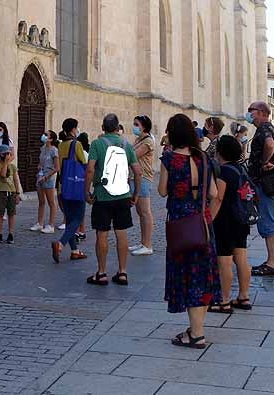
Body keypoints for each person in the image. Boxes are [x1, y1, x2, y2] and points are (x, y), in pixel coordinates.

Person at [159, 113, 219, 349]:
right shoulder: (203, 158)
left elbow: (163, 191)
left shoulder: (169, 159)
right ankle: (197, 328)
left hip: (181, 226)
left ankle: (196, 334)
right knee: (202, 276)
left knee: (188, 277)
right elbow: (214, 193)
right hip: (203, 225)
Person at [84, 114, 141, 286]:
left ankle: (101, 273)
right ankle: (122, 272)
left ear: (103, 127)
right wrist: (136, 193)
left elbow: (90, 170)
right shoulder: (126, 145)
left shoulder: (96, 144)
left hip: (102, 195)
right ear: (118, 128)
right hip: (123, 195)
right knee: (121, 232)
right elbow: (137, 172)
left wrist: (87, 190)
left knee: (102, 233)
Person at [210, 135, 253, 314]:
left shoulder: (224, 171)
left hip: (225, 221)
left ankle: (224, 301)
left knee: (225, 261)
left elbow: (218, 197)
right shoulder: (242, 169)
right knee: (241, 259)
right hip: (241, 220)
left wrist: (208, 220)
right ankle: (244, 296)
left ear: (221, 152)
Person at [247, 101, 274, 277]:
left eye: (251, 111)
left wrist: (263, 162)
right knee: (267, 217)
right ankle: (271, 261)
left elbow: (269, 145)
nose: (249, 114)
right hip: (265, 180)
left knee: (267, 219)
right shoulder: (269, 128)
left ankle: (272, 263)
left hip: (263, 181)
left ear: (262, 112)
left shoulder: (264, 130)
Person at [53, 121, 89, 263]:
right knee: (78, 218)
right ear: (73, 129)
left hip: (63, 185)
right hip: (75, 186)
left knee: (69, 219)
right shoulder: (76, 144)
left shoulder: (60, 145)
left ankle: (75, 251)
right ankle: (60, 243)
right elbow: (83, 163)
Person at [129, 115, 156, 256]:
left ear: (144, 126)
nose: (134, 126)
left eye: (136, 124)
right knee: (140, 212)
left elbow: (133, 155)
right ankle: (143, 242)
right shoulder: (139, 139)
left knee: (145, 212)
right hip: (135, 177)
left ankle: (148, 244)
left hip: (144, 178)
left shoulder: (148, 142)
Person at [30, 130, 59, 233]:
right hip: (41, 176)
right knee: (41, 201)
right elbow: (41, 162)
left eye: (46, 135)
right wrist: (39, 168)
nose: (44, 136)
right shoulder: (42, 149)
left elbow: (56, 167)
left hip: (49, 178)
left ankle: (51, 225)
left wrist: (46, 176)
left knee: (51, 202)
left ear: (51, 139)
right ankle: (40, 223)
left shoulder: (54, 150)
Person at [0, 145, 22, 244]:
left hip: (12, 192)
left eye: (8, 153)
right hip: (1, 192)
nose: (6, 155)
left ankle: (11, 233)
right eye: (4, 154)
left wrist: (17, 193)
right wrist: (5, 163)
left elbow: (16, 180)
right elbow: (3, 174)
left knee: (11, 213)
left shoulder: (13, 166)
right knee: (0, 213)